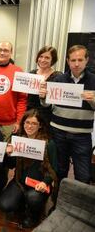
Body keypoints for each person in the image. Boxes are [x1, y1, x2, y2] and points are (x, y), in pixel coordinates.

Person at [39, 45, 95, 184]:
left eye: (80, 60)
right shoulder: (59, 79)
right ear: (68, 61)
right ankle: (58, 202)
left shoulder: (94, 81)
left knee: (83, 175)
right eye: (73, 60)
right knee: (59, 171)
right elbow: (46, 105)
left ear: (87, 60)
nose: (76, 64)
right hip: (58, 132)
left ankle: (78, 205)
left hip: (82, 135)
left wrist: (93, 101)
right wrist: (43, 97)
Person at [0, 109, 57, 228]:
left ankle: (33, 216)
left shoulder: (49, 143)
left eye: (34, 123)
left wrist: (45, 183)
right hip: (20, 181)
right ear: (23, 123)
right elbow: (11, 165)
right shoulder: (18, 140)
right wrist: (8, 154)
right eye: (27, 122)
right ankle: (21, 201)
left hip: (38, 184)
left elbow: (54, 168)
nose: (29, 126)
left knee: (33, 198)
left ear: (40, 125)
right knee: (5, 205)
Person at [27, 46, 62, 126]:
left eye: (47, 58)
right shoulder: (32, 73)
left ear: (52, 60)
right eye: (41, 56)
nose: (43, 60)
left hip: (47, 118)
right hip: (29, 115)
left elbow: (58, 101)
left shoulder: (58, 76)